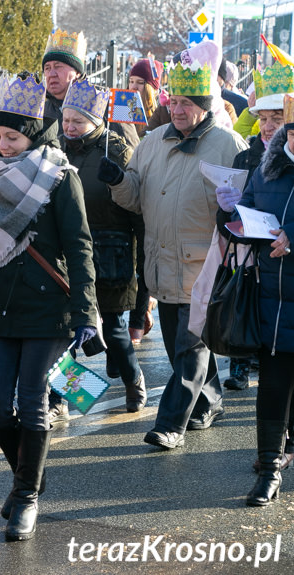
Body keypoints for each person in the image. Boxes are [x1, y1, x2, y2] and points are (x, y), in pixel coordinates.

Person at [0, 72, 98, 541]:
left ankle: (26, 498)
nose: (1, 145)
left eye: (10, 137)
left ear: (32, 133)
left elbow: (79, 247)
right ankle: (28, 475)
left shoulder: (60, 178)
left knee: (33, 407)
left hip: (49, 309)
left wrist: (85, 311)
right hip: (0, 308)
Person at [99, 54, 248, 451]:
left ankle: (170, 425)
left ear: (204, 106)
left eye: (188, 103)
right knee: (181, 346)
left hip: (205, 267)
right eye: (174, 101)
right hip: (161, 264)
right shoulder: (152, 141)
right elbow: (136, 198)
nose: (178, 110)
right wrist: (117, 181)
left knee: (188, 348)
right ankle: (211, 400)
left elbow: (243, 205)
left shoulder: (228, 144)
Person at [215, 111, 294, 507]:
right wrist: (233, 215)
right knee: (273, 388)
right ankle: (269, 470)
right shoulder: (267, 169)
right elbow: (244, 211)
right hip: (273, 302)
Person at [60, 79, 146, 412]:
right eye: (66, 120)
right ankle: (67, 398)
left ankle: (133, 380)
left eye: (77, 121)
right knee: (61, 334)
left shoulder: (117, 149)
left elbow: (136, 207)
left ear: (95, 121)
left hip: (110, 253)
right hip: (68, 254)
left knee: (114, 329)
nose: (69, 127)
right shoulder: (57, 149)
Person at [41, 28, 139, 149]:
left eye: (58, 66)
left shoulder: (113, 101)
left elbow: (133, 152)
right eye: (47, 68)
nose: (51, 74)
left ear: (77, 72)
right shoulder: (40, 110)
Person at [124, 58, 163, 345]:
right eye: (132, 82)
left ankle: (137, 319)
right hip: (127, 187)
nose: (134, 88)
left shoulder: (161, 114)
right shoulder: (122, 107)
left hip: (151, 191)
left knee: (145, 260)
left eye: (140, 83)